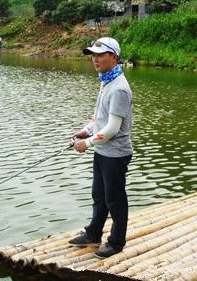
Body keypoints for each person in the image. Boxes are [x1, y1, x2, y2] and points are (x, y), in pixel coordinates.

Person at [68, 37, 133, 260]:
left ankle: (116, 242)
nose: (95, 59)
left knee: (115, 199)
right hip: (102, 151)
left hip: (115, 154)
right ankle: (93, 233)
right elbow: (101, 119)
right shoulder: (106, 81)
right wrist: (86, 130)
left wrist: (85, 143)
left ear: (113, 57)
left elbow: (113, 128)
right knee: (99, 195)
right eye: (93, 55)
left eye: (100, 55)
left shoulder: (119, 89)